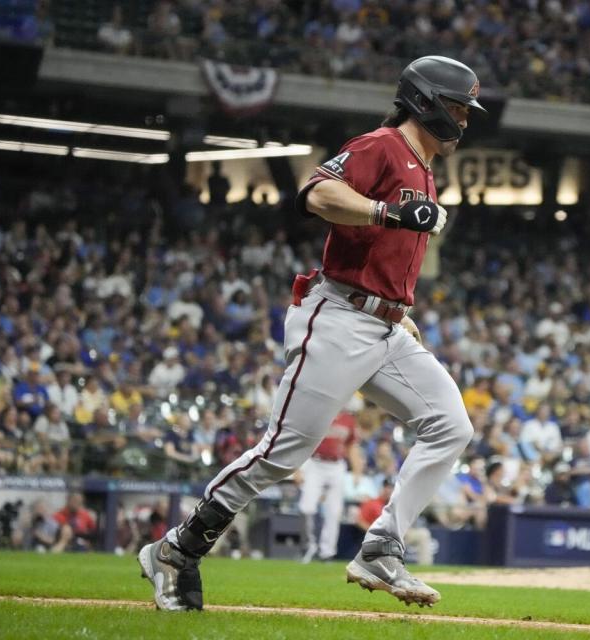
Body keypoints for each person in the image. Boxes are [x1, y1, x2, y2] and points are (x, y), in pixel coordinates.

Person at [139, 55, 484, 611]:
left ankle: (382, 544)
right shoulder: (382, 145)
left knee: (450, 424)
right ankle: (178, 550)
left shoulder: (422, 165)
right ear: (426, 101)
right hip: (339, 318)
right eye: (457, 106)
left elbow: (388, 249)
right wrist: (384, 212)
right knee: (282, 452)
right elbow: (316, 195)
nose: (464, 120)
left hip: (384, 324)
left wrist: (397, 307)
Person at [298, 399, 360, 563]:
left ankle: (327, 552)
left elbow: (351, 446)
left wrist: (357, 470)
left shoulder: (348, 419)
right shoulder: (319, 412)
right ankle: (309, 546)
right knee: (306, 507)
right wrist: (297, 468)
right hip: (315, 463)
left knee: (334, 511)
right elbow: (303, 440)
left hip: (337, 465)